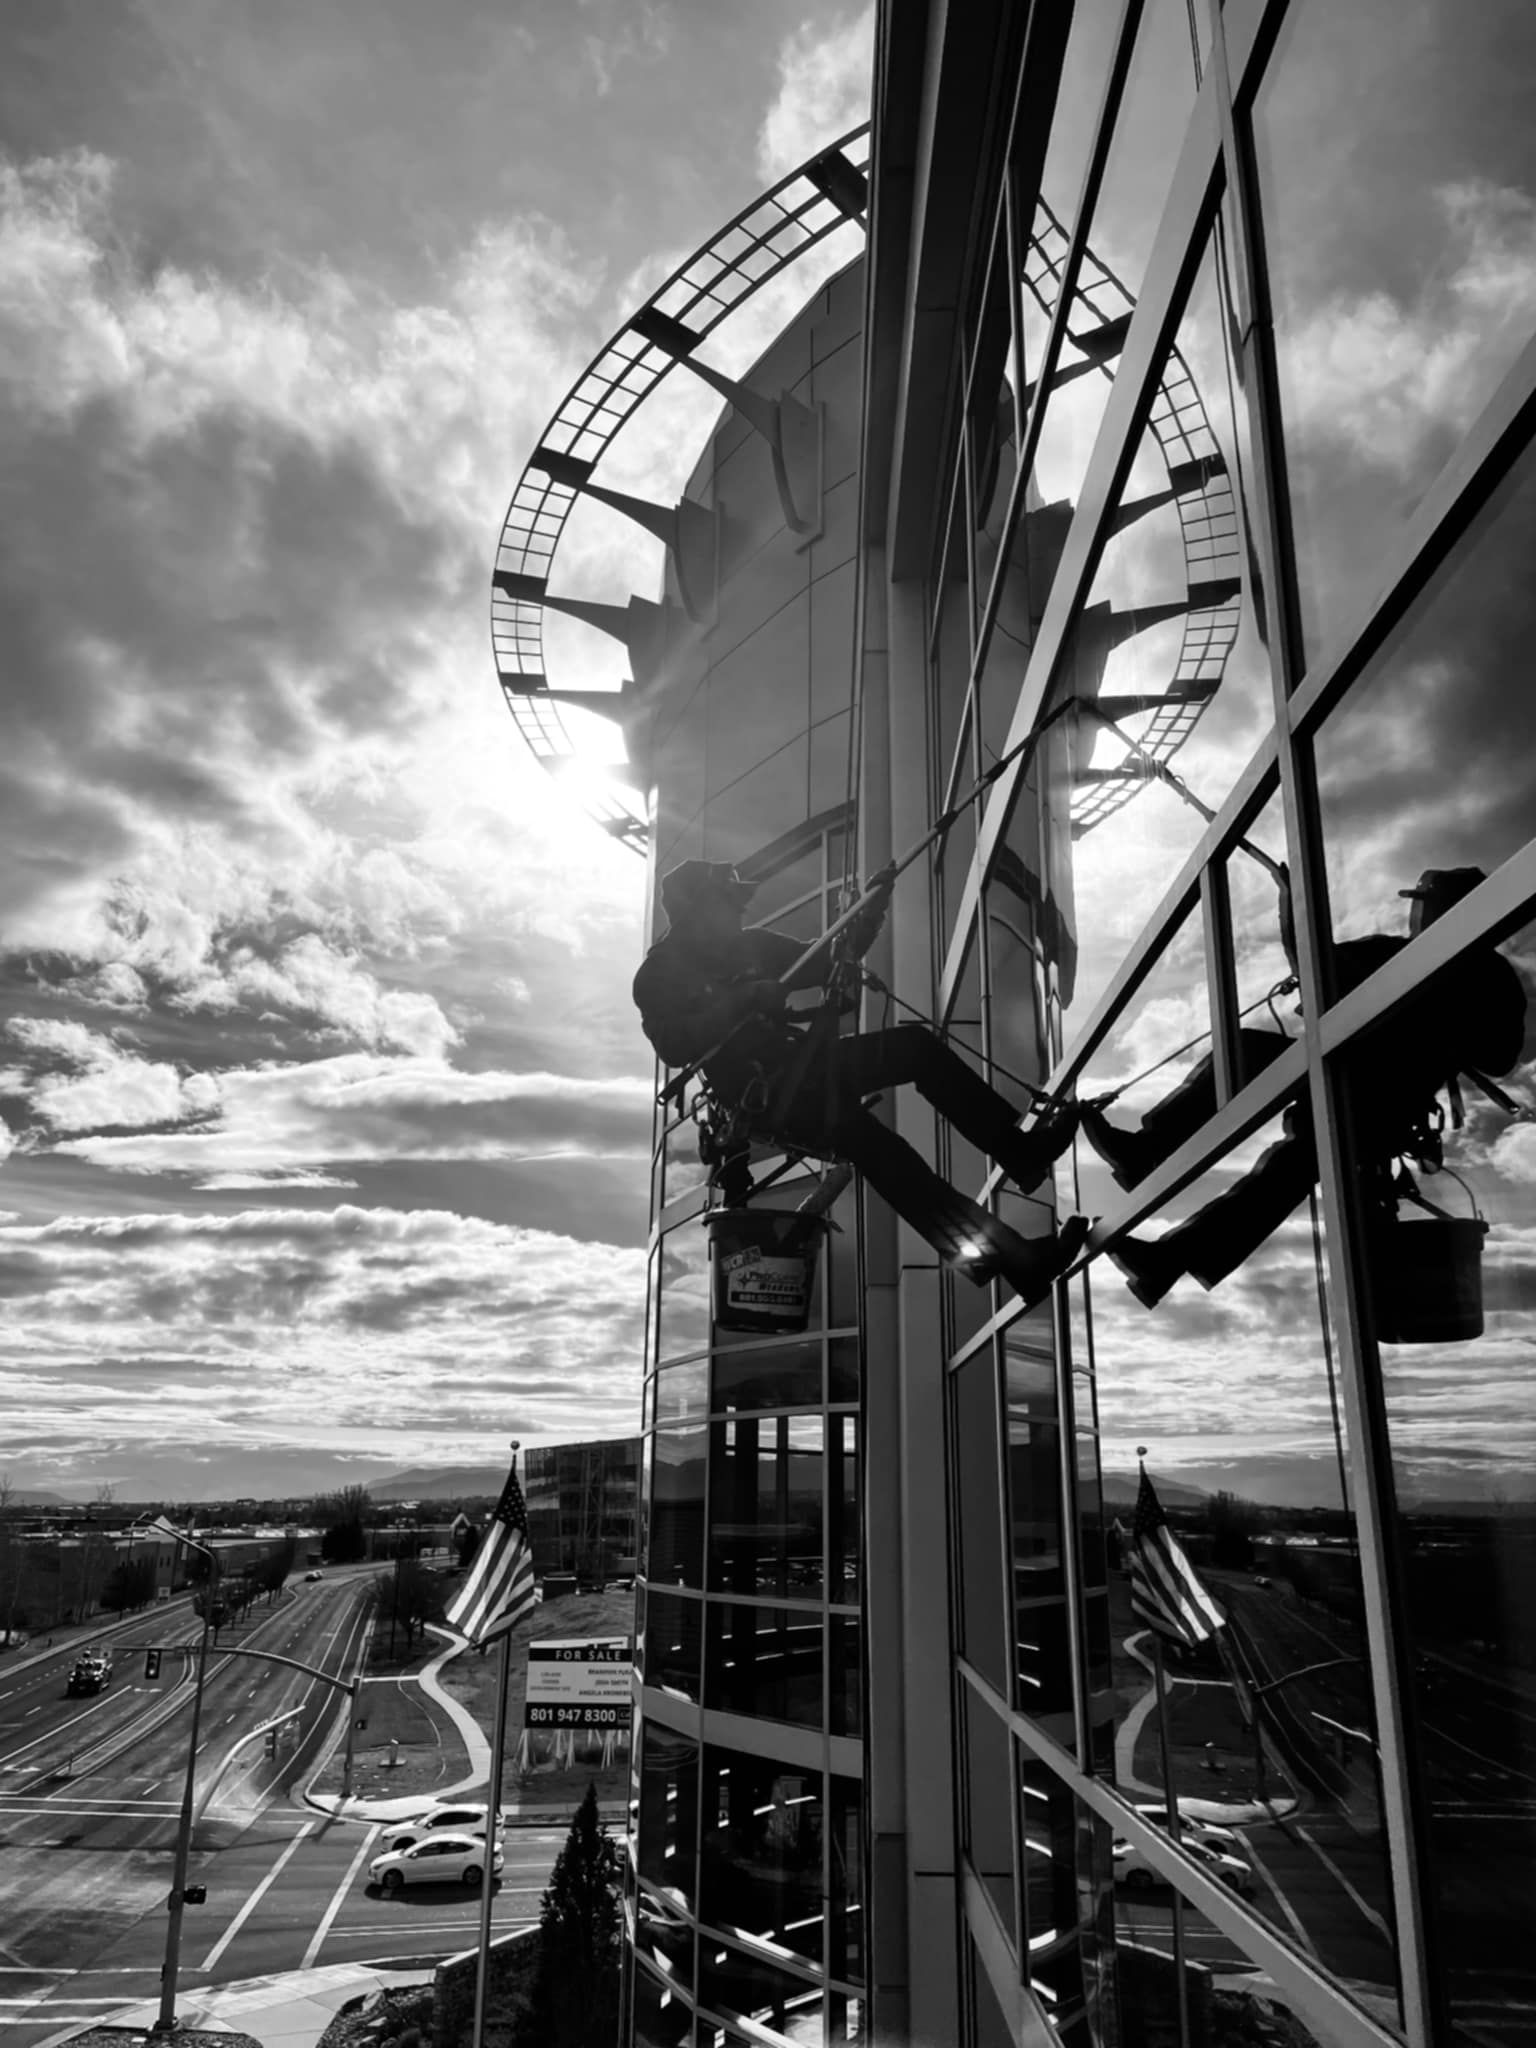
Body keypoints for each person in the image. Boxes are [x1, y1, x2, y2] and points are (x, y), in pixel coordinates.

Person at [634, 860, 1089, 1303]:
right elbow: (674, 1045)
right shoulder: (659, 975)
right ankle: (1017, 1258)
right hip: (775, 1098)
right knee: (893, 1161)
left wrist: (870, 913)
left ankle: (1021, 1160)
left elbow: (828, 959)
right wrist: (743, 1000)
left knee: (914, 1052)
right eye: (729, 903)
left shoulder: (750, 946)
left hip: (809, 1066)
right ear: (695, 910)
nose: (740, 911)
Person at [1087, 867, 1527, 1307]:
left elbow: (1499, 1056)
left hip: (1381, 1102)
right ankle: (1146, 1164)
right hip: (1351, 1076)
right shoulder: (1415, 957)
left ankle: (1165, 1247)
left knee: (1287, 1167)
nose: (1418, 913)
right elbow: (1317, 963)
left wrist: (1446, 1014)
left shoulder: (1482, 973)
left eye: (1423, 904)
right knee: (1254, 1072)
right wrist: (1293, 901)